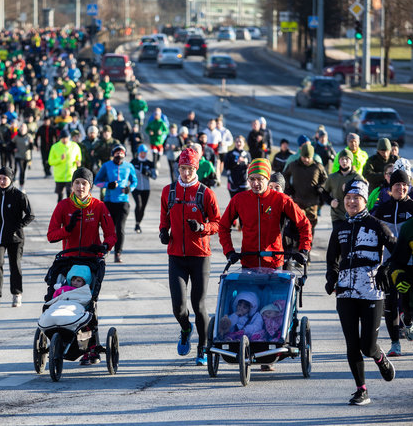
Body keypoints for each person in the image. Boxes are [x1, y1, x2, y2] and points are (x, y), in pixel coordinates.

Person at [325, 179, 397, 405]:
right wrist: (332, 279)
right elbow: (332, 259)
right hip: (346, 292)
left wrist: (387, 267)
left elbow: (398, 252)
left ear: (365, 200)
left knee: (367, 345)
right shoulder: (340, 229)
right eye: (348, 198)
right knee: (351, 344)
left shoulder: (377, 225)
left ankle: (379, 356)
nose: (351, 201)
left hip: (371, 292)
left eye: (356, 198)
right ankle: (361, 389)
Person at [159, 148, 221, 365]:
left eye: (190, 169)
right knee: (178, 307)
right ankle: (186, 328)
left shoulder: (206, 193)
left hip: (200, 256)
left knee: (199, 305)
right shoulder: (169, 191)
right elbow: (164, 218)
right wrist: (163, 232)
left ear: (197, 169)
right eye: (183, 168)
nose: (186, 173)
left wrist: (202, 227)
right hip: (176, 256)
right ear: (179, 168)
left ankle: (203, 348)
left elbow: (218, 223)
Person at [219, 158, 312, 270]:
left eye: (260, 179)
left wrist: (303, 250)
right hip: (249, 262)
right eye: (251, 179)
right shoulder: (239, 200)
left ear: (268, 179)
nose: (255, 183)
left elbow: (304, 224)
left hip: (274, 263)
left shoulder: (281, 199)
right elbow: (223, 226)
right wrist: (229, 251)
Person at [0, 167, 35, 308]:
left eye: (5, 178)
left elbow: (30, 215)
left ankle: (17, 295)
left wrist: (20, 225)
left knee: (15, 265)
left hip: (15, 238)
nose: (2, 181)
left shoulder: (19, 195)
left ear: (10, 179)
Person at [373, 170, 413, 357]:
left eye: (404, 185)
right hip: (388, 264)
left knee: (407, 302)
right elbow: (372, 235)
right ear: (391, 188)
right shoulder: (382, 210)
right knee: (390, 303)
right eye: (397, 185)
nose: (401, 188)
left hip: (409, 263)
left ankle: (409, 320)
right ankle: (395, 343)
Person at [47, 167, 117, 258]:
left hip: (92, 258)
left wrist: (104, 246)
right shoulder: (63, 205)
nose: (80, 187)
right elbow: (51, 236)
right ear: (72, 185)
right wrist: (67, 229)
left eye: (84, 183)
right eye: (77, 183)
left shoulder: (99, 205)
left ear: (90, 186)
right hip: (69, 258)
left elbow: (111, 235)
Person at [95, 145, 137, 263]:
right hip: (109, 201)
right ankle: (107, 249)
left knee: (120, 228)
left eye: (122, 153)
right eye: (117, 153)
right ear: (113, 154)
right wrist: (108, 185)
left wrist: (130, 188)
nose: (119, 155)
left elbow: (135, 181)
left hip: (123, 201)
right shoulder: (106, 166)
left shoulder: (129, 166)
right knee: (109, 229)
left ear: (125, 154)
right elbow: (97, 182)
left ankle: (118, 253)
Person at [283, 143, 327, 238]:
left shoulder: (318, 167)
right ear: (301, 155)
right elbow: (285, 175)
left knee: (311, 226)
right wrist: (288, 187)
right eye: (304, 157)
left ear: (312, 156)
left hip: (312, 202)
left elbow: (325, 180)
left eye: (309, 157)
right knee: (297, 224)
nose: (306, 160)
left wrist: (321, 187)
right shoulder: (293, 165)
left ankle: (307, 247)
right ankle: (297, 245)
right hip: (298, 200)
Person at [321, 149, 365, 231]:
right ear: (339, 161)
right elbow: (324, 192)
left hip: (353, 214)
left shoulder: (357, 177)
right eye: (342, 159)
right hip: (337, 215)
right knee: (338, 240)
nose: (344, 161)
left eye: (347, 159)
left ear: (351, 161)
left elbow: (364, 196)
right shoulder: (332, 177)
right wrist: (330, 201)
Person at [48, 129, 82, 203]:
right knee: (60, 196)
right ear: (60, 138)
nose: (65, 140)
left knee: (70, 195)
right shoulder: (55, 147)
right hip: (59, 176)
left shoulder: (74, 146)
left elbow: (78, 157)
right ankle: (59, 211)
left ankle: (69, 212)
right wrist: (60, 159)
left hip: (71, 175)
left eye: (66, 138)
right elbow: (50, 162)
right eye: (63, 138)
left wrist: (78, 162)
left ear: (69, 137)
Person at [131, 144, 157, 234]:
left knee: (143, 208)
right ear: (138, 153)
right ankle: (137, 224)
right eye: (141, 153)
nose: (143, 154)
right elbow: (128, 174)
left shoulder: (149, 163)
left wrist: (148, 173)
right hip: (136, 187)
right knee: (139, 205)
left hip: (146, 188)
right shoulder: (133, 162)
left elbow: (154, 176)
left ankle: (138, 223)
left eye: (145, 153)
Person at [12, 122, 34, 192]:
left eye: (24, 127)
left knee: (24, 172)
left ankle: (22, 185)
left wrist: (31, 143)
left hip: (26, 156)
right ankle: (21, 186)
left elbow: (31, 148)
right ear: (19, 128)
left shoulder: (29, 136)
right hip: (18, 156)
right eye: (21, 127)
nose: (22, 129)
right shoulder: (16, 136)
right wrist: (14, 148)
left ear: (26, 129)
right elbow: (11, 144)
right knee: (21, 170)